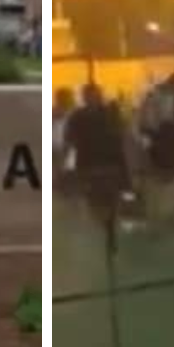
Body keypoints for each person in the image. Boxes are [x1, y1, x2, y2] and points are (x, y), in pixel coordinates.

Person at [64, 84, 131, 253]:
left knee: (109, 203)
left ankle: (109, 233)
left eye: (95, 95)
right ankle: (106, 232)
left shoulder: (108, 113)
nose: (93, 99)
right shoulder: (79, 116)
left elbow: (121, 135)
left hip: (108, 166)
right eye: (90, 96)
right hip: (93, 167)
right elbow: (70, 141)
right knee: (97, 204)